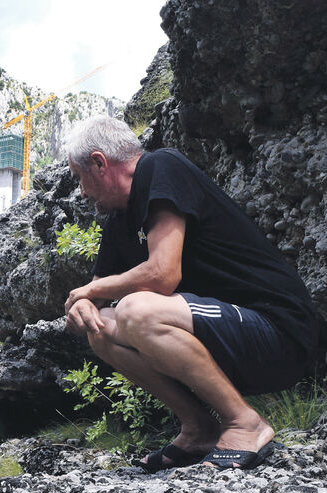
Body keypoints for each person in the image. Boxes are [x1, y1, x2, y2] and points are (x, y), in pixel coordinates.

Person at [62, 116, 318, 471]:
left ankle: (245, 423)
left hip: (278, 330)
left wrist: (90, 289)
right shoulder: (119, 223)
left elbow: (164, 274)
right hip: (228, 339)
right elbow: (94, 302)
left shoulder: (159, 166)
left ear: (99, 163)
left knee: (137, 311)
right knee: (101, 329)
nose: (82, 192)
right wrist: (82, 307)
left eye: (79, 178)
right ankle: (200, 429)